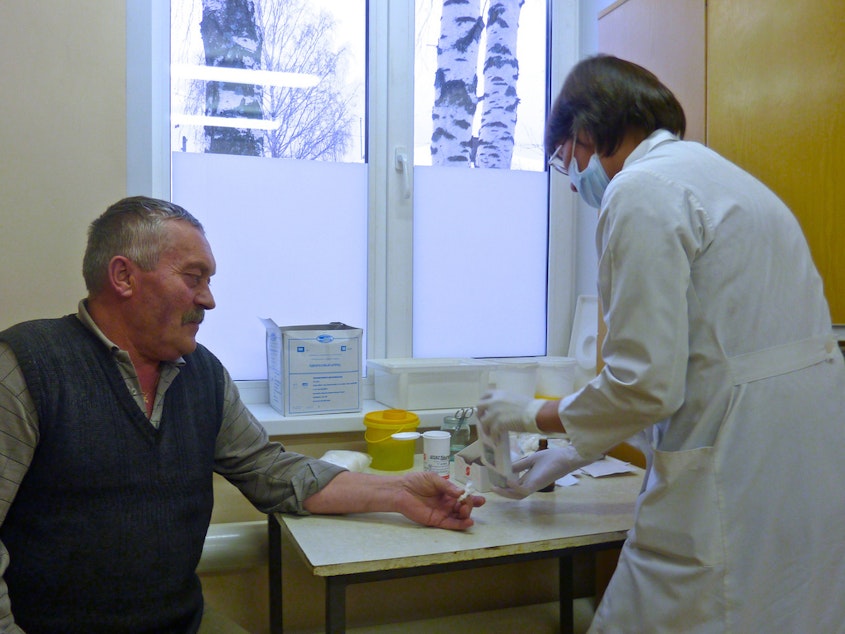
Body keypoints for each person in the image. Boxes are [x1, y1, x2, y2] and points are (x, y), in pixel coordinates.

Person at [475, 55, 845, 632]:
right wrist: (573, 453)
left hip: (735, 465)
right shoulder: (721, 178)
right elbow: (695, 366)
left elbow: (644, 383)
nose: (572, 178)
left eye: (564, 159)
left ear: (586, 135)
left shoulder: (641, 190)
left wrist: (529, 414)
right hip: (807, 460)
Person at [0, 196, 484, 634]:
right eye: (193, 278)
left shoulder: (202, 373)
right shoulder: (28, 366)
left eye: (209, 282)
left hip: (178, 623)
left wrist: (399, 492)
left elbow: (271, 471)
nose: (209, 299)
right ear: (124, 276)